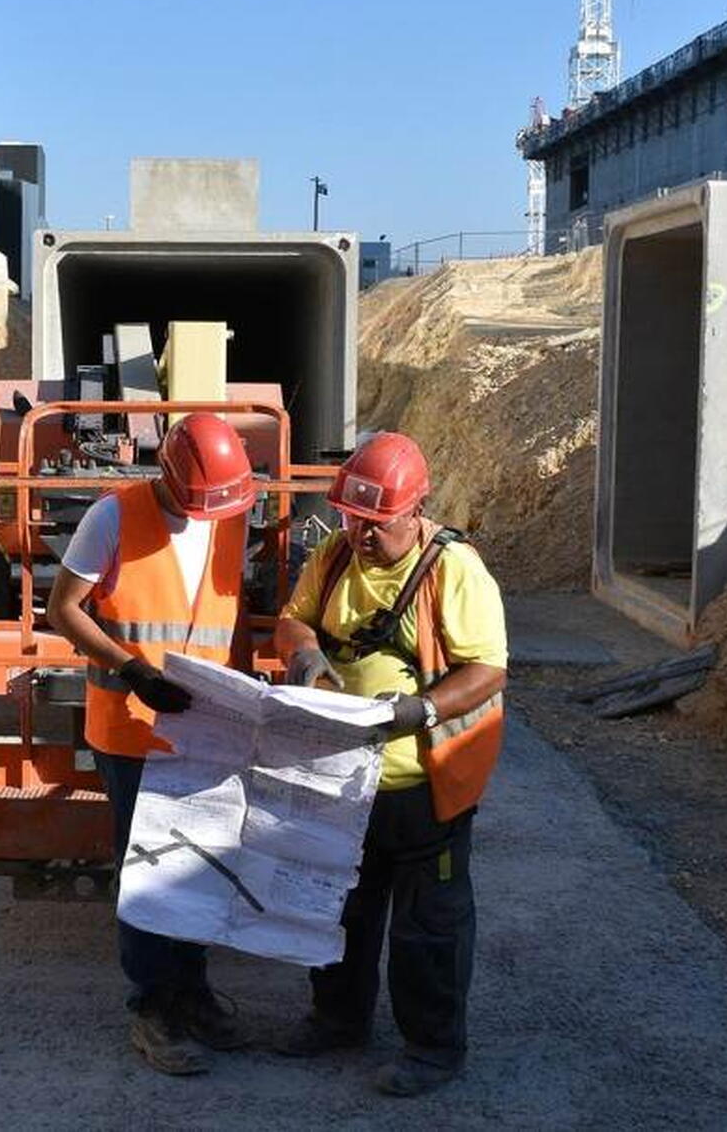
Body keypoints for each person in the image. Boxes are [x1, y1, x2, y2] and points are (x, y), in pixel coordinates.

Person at [271, 431, 507, 1097]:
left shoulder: (453, 569)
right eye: (350, 517)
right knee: (340, 907)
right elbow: (294, 619)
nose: (360, 533)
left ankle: (432, 1048)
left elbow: (488, 668)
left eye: (375, 522)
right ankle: (338, 1016)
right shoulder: (335, 553)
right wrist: (309, 660)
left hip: (423, 784)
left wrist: (419, 711)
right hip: (343, 777)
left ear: (415, 509)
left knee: (426, 925)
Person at [47, 411, 255, 1077]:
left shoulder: (227, 512)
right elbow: (64, 608)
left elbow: (229, 613)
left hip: (205, 723)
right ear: (167, 478)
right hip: (131, 723)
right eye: (195, 502)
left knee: (197, 862)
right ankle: (153, 1006)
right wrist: (132, 666)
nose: (204, 515)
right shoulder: (112, 518)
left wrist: (249, 699)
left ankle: (189, 991)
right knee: (148, 867)